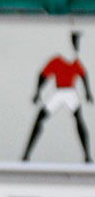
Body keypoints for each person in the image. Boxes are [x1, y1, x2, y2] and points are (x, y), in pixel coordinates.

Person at [22, 31, 93, 163]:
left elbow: (83, 75)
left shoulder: (75, 61)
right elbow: (43, 75)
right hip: (59, 92)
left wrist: (88, 93)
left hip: (70, 93)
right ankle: (26, 154)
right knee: (40, 118)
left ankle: (87, 156)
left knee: (79, 121)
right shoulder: (58, 60)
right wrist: (37, 92)